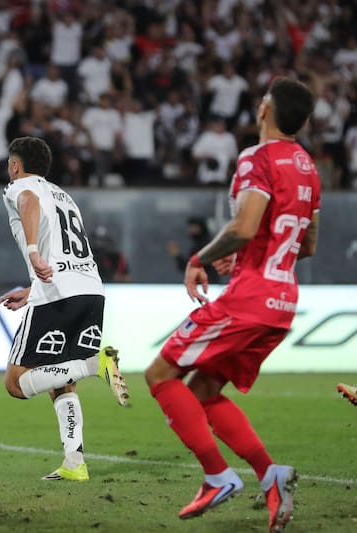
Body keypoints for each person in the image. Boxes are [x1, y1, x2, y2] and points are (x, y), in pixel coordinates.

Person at [144, 77, 319, 532]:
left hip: (248, 300)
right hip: (282, 302)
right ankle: (270, 474)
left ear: (265, 110)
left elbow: (243, 226)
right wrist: (244, 251)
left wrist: (199, 258)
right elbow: (307, 244)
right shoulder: (309, 168)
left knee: (160, 374)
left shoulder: (257, 158)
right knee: (203, 392)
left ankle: (217, 476)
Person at [0, 136, 129, 482]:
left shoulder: (20, 186)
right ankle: (74, 461)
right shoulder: (63, 195)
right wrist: (32, 288)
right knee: (61, 377)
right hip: (90, 290)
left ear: (15, 164)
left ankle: (95, 364)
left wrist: (32, 252)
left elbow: (27, 202)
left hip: (59, 294)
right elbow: (65, 251)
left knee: (15, 383)